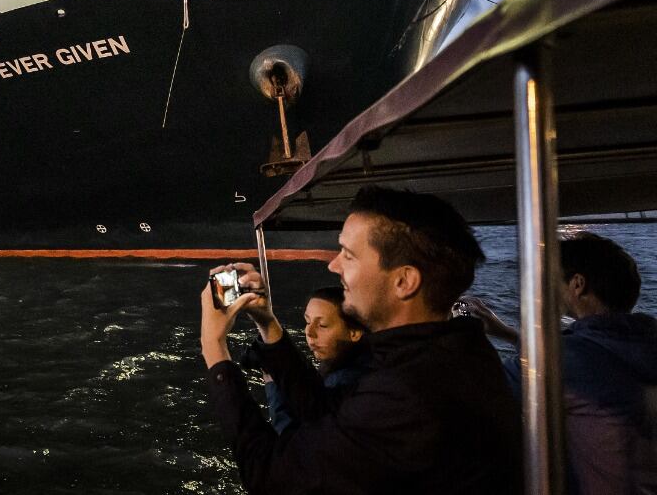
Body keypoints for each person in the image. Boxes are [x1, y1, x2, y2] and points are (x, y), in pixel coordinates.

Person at [199, 185, 522, 494]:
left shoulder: (408, 392)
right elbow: (325, 410)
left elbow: (270, 473)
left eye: (348, 255)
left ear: (404, 281)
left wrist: (214, 347)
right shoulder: (454, 354)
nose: (332, 264)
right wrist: (268, 323)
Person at [462, 231, 657, 495]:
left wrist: (462, 336)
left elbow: (480, 394)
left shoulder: (565, 357)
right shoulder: (641, 341)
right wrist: (508, 333)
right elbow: (590, 361)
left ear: (577, 284)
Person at [259, 287, 369, 433]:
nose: (309, 333)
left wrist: (274, 387)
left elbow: (295, 445)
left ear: (354, 332)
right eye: (307, 321)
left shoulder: (343, 383)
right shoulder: (368, 361)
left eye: (322, 325)